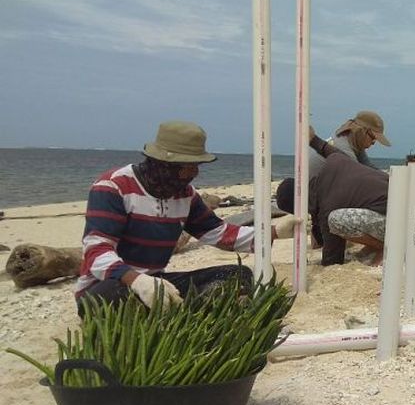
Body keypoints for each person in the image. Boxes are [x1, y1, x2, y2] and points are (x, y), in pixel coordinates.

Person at [74, 120, 299, 315]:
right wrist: (135, 280)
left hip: (158, 284)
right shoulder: (113, 187)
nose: (193, 174)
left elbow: (219, 233)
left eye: (196, 166)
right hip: (110, 286)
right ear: (161, 164)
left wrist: (274, 232)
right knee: (112, 296)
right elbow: (96, 252)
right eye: (187, 166)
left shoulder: (186, 196)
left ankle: (178, 313)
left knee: (238, 275)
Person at [276, 127, 388, 266]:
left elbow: (333, 259)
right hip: (406, 200)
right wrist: (312, 139)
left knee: (336, 221)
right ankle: (376, 245)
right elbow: (327, 149)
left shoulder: (327, 208)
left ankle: (387, 248)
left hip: (399, 224)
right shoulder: (335, 160)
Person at [308, 110, 391, 179]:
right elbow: (359, 178)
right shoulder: (344, 149)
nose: (374, 143)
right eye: (373, 138)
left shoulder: (353, 143)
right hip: (312, 193)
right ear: (362, 132)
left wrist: (391, 178)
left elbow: (369, 167)